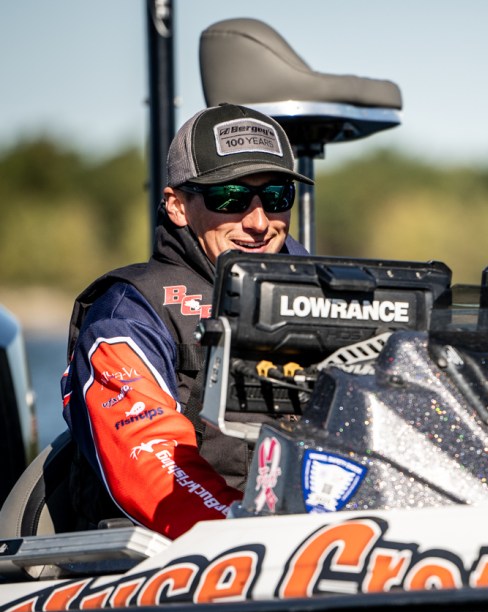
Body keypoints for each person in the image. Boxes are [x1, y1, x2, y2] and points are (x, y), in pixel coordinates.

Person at [62, 103, 313, 538]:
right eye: (230, 198)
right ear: (177, 206)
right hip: (178, 556)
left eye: (276, 197)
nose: (258, 222)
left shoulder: (332, 300)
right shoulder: (126, 314)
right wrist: (255, 534)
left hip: (316, 540)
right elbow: (152, 464)